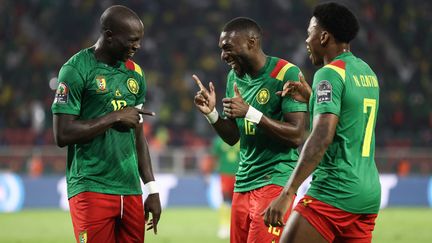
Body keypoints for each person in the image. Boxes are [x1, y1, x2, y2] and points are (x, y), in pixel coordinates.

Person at [263, 2, 381, 243]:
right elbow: (350, 117)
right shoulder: (366, 72)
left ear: (324, 36)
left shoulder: (329, 74)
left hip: (335, 190)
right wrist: (312, 98)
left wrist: (288, 192)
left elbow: (321, 136)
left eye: (310, 33)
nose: (307, 40)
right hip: (367, 194)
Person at [51, 5, 161, 243]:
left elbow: (138, 133)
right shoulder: (75, 69)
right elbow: (62, 134)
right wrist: (115, 117)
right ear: (109, 35)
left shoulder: (136, 73)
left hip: (130, 189)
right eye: (132, 40)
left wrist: (151, 189)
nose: (137, 46)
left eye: (140, 40)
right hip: (91, 186)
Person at [193, 17, 307, 243]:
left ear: (252, 42)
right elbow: (234, 136)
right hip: (243, 181)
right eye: (221, 49)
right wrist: (211, 113)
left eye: (228, 48)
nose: (223, 56)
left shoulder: (286, 74)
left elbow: (296, 135)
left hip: (275, 180)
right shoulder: (234, 77)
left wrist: (251, 113)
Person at [210, 136, 240, 239]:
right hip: (225, 174)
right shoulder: (219, 141)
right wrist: (210, 173)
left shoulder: (243, 138)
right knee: (225, 199)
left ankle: (236, 225)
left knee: (238, 201)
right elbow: (214, 157)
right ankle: (224, 225)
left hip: (241, 173)